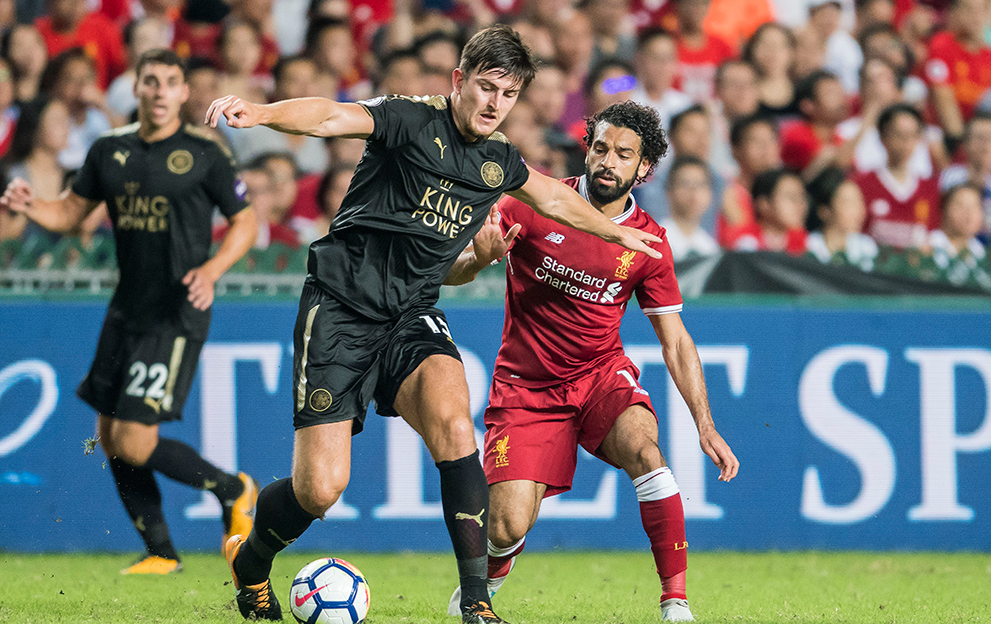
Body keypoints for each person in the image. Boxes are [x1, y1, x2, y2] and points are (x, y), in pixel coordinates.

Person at [204, 24, 664, 623]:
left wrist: (616, 230)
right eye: (486, 87)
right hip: (341, 307)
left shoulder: (498, 163)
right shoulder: (410, 120)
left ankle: (476, 603)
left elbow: (554, 199)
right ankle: (252, 562)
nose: (495, 103)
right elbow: (328, 117)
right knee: (319, 489)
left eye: (509, 94)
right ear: (459, 81)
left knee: (454, 424)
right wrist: (260, 112)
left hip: (412, 315)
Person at [442, 100, 739, 623]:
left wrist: (705, 424)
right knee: (507, 525)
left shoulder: (648, 242)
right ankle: (491, 572)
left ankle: (676, 603)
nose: (608, 161)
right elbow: (454, 270)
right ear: (588, 148)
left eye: (624, 155)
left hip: (600, 377)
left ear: (643, 169)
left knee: (647, 451)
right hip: (526, 389)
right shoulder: (532, 202)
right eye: (601, 148)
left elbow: (675, 339)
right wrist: (481, 256)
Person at [0, 48, 260, 575]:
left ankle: (233, 488)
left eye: (170, 82)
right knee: (111, 433)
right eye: (150, 81)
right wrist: (31, 206)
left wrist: (211, 271)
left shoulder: (204, 153)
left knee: (136, 441)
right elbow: (72, 216)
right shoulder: (109, 151)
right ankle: (161, 552)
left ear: (184, 93)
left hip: (177, 311)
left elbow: (247, 222)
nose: (160, 91)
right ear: (136, 89)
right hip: (127, 310)